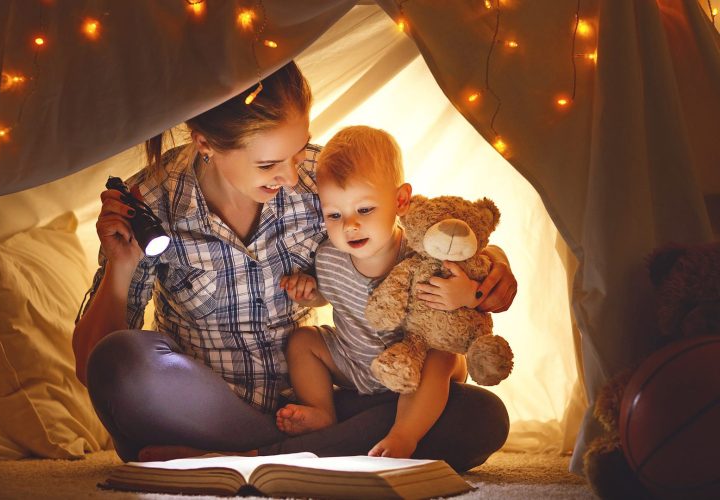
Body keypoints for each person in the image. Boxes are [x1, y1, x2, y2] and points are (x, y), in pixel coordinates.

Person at [73, 61, 516, 470]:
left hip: (310, 405)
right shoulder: (152, 202)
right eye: (268, 164)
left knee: (479, 416)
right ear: (205, 143)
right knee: (119, 361)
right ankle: (295, 453)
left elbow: (416, 228)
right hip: (203, 409)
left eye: (298, 151)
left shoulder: (318, 180)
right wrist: (121, 267)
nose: (291, 176)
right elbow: (93, 368)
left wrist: (492, 263)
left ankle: (238, 459)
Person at [276, 126, 477, 459]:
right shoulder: (328, 256)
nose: (350, 225)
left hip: (417, 366)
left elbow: (471, 279)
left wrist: (466, 294)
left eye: (364, 210)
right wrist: (310, 293)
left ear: (400, 201)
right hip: (356, 363)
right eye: (334, 215)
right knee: (303, 341)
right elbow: (330, 296)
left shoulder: (422, 251)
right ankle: (321, 410)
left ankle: (404, 434)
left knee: (443, 354)